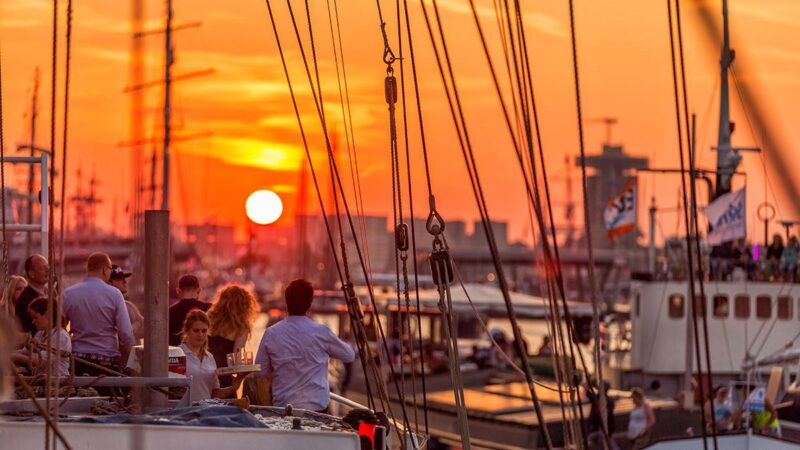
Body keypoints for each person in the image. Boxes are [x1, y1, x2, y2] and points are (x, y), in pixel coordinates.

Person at [255, 279, 355, 412]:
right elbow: (349, 355)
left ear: (286, 302)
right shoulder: (321, 332)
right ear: (310, 303)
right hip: (316, 410)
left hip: (283, 409)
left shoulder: (271, 333)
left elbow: (260, 372)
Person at [62, 252, 135, 377]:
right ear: (105, 270)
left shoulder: (68, 294)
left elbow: (60, 327)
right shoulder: (115, 294)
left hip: (78, 362)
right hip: (105, 363)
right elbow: (126, 334)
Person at [180, 309, 245, 403]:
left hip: (206, 409)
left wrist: (234, 387)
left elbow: (214, 394)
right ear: (187, 330)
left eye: (204, 331)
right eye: (196, 330)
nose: (200, 334)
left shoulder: (209, 357)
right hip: (184, 409)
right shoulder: (178, 354)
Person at [207, 284, 259, 387]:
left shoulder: (208, 319)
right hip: (223, 377)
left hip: (204, 372)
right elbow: (237, 360)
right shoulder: (241, 327)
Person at [12, 297, 71, 377]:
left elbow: (43, 362)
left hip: (57, 380)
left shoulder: (60, 336)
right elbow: (26, 351)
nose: (33, 322)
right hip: (41, 379)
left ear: (47, 315)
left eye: (35, 317)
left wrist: (15, 356)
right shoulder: (40, 334)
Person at [169, 274, 210, 347]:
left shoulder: (169, 312)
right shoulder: (209, 309)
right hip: (201, 352)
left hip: (176, 353)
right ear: (199, 290)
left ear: (178, 291)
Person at [108, 265, 144, 340]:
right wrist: (136, 325)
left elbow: (144, 325)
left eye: (124, 279)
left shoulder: (129, 306)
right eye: (119, 279)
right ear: (109, 282)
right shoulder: (104, 305)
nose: (125, 282)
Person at [16, 254, 49, 335]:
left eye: (47, 267)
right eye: (42, 268)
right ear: (31, 274)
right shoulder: (24, 301)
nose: (47, 271)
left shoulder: (51, 293)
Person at [587, 380, 619, 450]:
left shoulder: (608, 401)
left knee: (607, 442)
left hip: (605, 427)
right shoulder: (598, 398)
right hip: (597, 427)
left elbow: (606, 413)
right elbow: (589, 394)